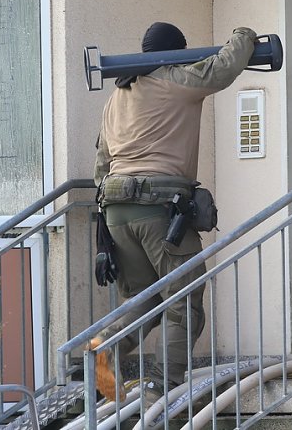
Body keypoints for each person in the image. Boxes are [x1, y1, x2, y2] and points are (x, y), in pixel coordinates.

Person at [91, 22, 258, 401]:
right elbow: (223, 68)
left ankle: (105, 348)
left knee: (148, 297)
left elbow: (101, 165)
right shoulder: (176, 79)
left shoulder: (117, 97)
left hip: (116, 211)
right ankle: (160, 387)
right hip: (159, 211)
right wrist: (245, 35)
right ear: (177, 53)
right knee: (184, 300)